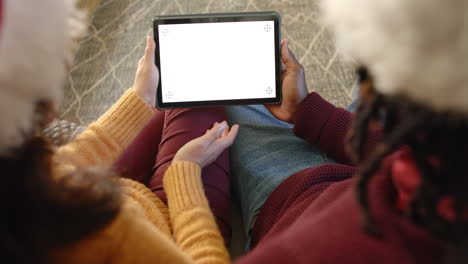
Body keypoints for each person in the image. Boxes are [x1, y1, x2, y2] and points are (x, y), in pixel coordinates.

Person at [227, 0, 468, 263]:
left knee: (223, 90)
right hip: (358, 161)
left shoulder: (308, 251)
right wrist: (307, 112)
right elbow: (400, 151)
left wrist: (183, 175)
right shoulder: (439, 163)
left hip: (288, 194)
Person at [0, 0, 237, 263]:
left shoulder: (17, 173)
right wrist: (184, 170)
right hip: (169, 230)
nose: (68, 64)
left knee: (171, 98)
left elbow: (57, 169)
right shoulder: (105, 229)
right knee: (199, 98)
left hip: (125, 192)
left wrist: (140, 99)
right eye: (54, 55)